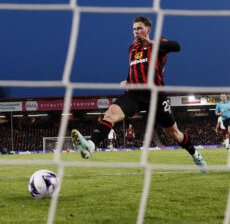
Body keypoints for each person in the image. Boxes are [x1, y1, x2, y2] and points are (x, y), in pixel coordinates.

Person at [71, 16, 207, 173]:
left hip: (156, 96)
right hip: (134, 94)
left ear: (148, 30)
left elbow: (177, 46)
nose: (136, 31)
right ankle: (90, 146)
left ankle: (195, 155)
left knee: (174, 134)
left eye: (140, 28)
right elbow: (135, 69)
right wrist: (128, 80)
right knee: (110, 114)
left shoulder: (158, 44)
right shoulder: (132, 49)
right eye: (134, 29)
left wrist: (152, 43)